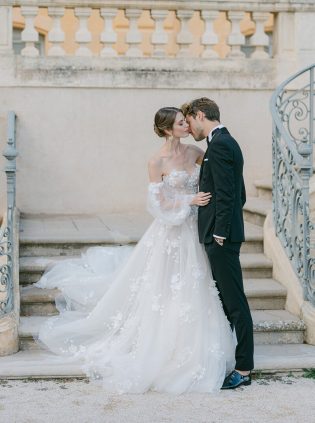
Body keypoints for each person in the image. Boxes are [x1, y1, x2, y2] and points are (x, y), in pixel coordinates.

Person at [33, 107, 236, 394]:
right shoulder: (156, 161)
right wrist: (191, 199)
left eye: (186, 122)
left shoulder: (194, 152)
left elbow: (216, 175)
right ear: (168, 129)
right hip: (172, 231)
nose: (187, 126)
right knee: (167, 288)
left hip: (194, 230)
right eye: (181, 123)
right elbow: (157, 204)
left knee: (198, 285)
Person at [183, 98, 254, 389]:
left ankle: (244, 369)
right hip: (220, 233)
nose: (189, 129)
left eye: (189, 122)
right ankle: (233, 359)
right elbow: (241, 193)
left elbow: (227, 194)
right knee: (227, 300)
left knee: (235, 302)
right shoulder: (223, 141)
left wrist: (220, 232)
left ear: (200, 115)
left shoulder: (222, 144)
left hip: (221, 237)